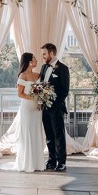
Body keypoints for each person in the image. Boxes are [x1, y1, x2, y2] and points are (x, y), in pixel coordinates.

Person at [0, 52, 45, 172]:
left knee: (36, 132)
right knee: (28, 132)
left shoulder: (38, 75)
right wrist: (34, 98)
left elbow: (43, 89)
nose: (36, 61)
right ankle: (27, 163)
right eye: (34, 59)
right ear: (29, 62)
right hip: (27, 108)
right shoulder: (23, 76)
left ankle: (37, 163)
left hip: (37, 109)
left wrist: (41, 98)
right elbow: (20, 94)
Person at [40, 43, 70, 171]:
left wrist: (54, 103)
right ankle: (51, 160)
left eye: (44, 54)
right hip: (44, 108)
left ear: (51, 53)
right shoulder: (43, 67)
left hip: (56, 108)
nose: (43, 56)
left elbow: (64, 90)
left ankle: (61, 162)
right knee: (49, 136)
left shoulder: (62, 68)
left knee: (59, 136)